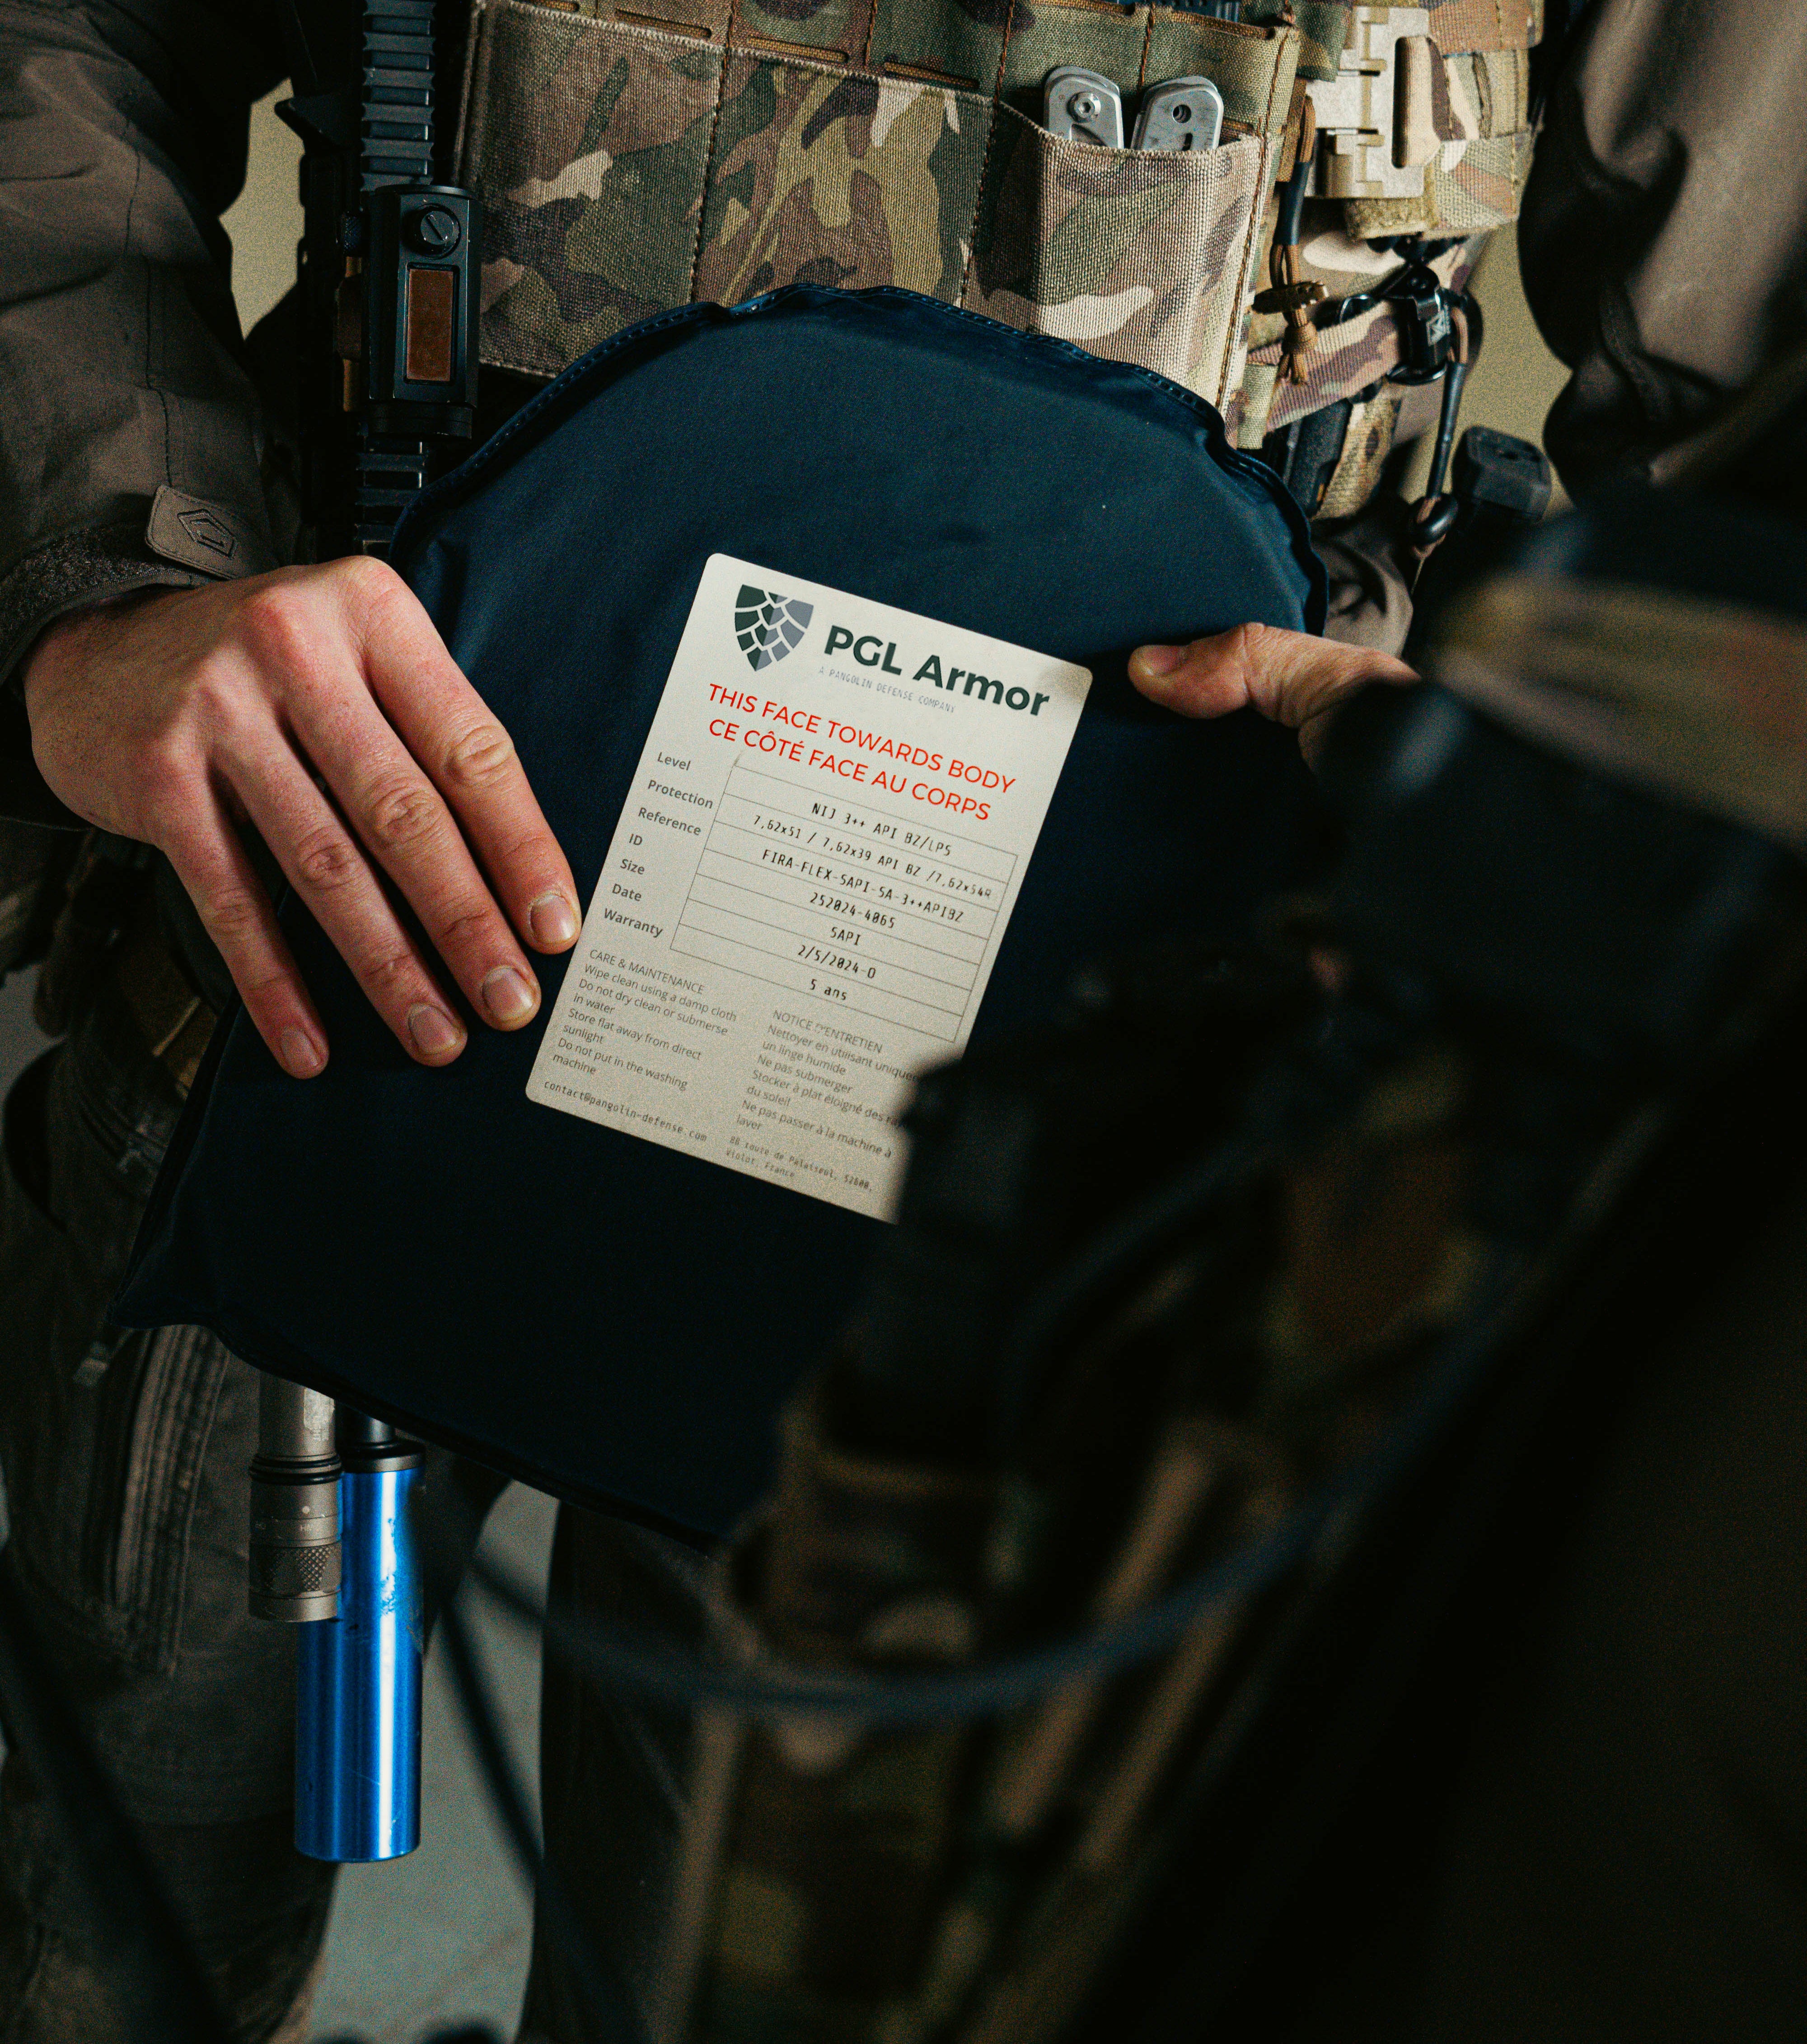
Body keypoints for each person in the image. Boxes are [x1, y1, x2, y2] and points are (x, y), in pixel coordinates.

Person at [0, 0, 1801, 2037]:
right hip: (315, 930)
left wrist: (1509, 812)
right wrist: (102, 579)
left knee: (750, 1979)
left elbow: (1754, 425)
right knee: (115, 1927)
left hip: (1091, 1121)